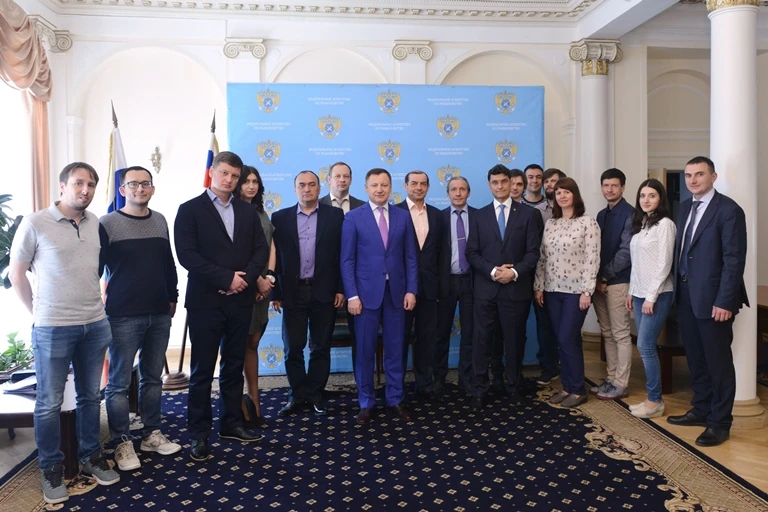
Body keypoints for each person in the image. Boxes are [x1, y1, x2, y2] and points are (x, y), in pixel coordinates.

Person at [9, 162, 120, 504]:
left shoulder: (95, 223)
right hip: (53, 328)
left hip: (94, 324)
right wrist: (38, 313)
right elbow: (16, 274)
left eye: (91, 184)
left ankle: (91, 456)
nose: (85, 190)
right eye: (78, 183)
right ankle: (51, 468)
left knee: (90, 397)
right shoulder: (35, 223)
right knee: (49, 403)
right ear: (62, 186)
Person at [174, 151, 270, 462]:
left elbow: (261, 250)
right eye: (224, 173)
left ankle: (231, 423)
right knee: (202, 371)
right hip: (206, 302)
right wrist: (226, 278)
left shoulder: (246, 211)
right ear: (212, 172)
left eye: (234, 176)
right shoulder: (189, 209)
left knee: (233, 365)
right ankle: (199, 434)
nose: (229, 180)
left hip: (240, 301)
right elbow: (187, 255)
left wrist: (244, 280)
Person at [100, 166, 181, 472]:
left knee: (152, 378)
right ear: (122, 190)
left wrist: (172, 297)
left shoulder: (159, 220)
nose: (140, 188)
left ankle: (151, 434)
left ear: (152, 188)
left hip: (159, 312)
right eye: (133, 184)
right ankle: (122, 442)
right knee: (119, 383)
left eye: (145, 183)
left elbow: (168, 263)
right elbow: (95, 269)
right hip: (122, 315)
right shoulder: (107, 223)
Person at [667, 156, 748, 447]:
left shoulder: (729, 210)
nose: (692, 180)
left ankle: (720, 422)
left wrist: (724, 300)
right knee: (696, 359)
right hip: (686, 298)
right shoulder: (684, 207)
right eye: (688, 175)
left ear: (713, 177)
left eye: (699, 174)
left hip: (715, 300)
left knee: (718, 364)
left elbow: (734, 260)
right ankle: (701, 409)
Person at [341, 168, 418, 424]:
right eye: (374, 185)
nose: (380, 189)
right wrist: (352, 295)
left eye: (384, 185)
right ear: (366, 188)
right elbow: (347, 260)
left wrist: (411, 289)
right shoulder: (353, 218)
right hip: (364, 297)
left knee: (395, 349)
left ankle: (395, 399)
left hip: (397, 294)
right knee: (365, 350)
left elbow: (410, 257)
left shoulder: (403, 217)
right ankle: (366, 402)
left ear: (390, 187)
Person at [466, 165, 543, 412]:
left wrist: (514, 272)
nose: (499, 186)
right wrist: (493, 271)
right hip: (485, 291)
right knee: (482, 343)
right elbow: (472, 253)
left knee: (514, 342)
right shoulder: (478, 216)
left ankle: (513, 387)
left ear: (511, 183)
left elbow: (533, 253)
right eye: (495, 182)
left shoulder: (529, 215)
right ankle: (479, 390)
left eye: (503, 181)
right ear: (489, 185)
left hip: (515, 290)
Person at [271, 171, 344, 416]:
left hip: (324, 290)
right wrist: (275, 292)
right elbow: (275, 257)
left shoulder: (335, 216)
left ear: (319, 188)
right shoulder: (280, 218)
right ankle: (297, 394)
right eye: (301, 185)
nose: (307, 189)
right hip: (292, 292)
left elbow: (342, 255)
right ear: (295, 189)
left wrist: (340, 288)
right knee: (293, 347)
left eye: (312, 185)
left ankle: (315, 393)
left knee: (320, 346)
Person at [534, 177, 600, 409]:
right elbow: (543, 257)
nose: (562, 196)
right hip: (552, 290)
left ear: (575, 195)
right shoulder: (551, 224)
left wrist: (587, 291)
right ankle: (567, 387)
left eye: (566, 192)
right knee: (561, 340)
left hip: (576, 292)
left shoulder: (587, 223)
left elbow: (592, 259)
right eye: (558, 193)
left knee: (567, 337)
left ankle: (578, 389)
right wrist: (539, 285)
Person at [625, 179, 676, 419]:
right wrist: (631, 291)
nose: (646, 200)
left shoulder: (665, 225)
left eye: (652, 195)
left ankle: (655, 401)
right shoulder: (642, 225)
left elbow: (664, 263)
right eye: (642, 195)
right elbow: (637, 264)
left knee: (645, 345)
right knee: (644, 345)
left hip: (657, 294)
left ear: (660, 199)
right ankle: (652, 398)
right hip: (639, 293)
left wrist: (651, 296)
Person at [234, 166, 276, 428]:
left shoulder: (261, 212)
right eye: (246, 181)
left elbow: (271, 245)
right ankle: (239, 405)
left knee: (253, 343)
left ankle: (255, 401)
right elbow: (235, 253)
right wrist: (256, 281)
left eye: (255, 181)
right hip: (242, 288)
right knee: (237, 348)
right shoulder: (231, 212)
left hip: (263, 289)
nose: (251, 186)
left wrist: (269, 277)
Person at [396, 171, 443, 399]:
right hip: (401, 289)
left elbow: (442, 253)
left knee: (427, 338)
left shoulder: (437, 215)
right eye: (414, 183)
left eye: (423, 184)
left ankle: (424, 384)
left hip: (430, 288)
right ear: (405, 186)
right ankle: (396, 387)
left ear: (428, 187)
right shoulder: (394, 213)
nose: (418, 187)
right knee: (399, 338)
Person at [591, 168, 634, 400]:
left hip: (618, 282)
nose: (609, 189)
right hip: (599, 282)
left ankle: (621, 383)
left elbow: (626, 252)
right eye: (606, 185)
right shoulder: (601, 215)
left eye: (614, 185)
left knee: (620, 334)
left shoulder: (631, 214)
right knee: (607, 333)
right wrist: (597, 279)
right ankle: (610, 379)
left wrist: (605, 277)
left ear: (622, 188)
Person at [436, 176, 476, 396]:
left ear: (468, 192)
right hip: (446, 283)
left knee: (470, 333)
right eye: (454, 189)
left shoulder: (480, 217)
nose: (458, 193)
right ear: (448, 193)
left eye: (462, 189)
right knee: (441, 333)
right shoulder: (438, 218)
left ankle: (466, 379)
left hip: (472, 281)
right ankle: (438, 379)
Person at [529, 167, 565, 386]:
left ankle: (558, 368)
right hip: (534, 275)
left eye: (555, 181)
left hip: (560, 279)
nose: (550, 185)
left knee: (557, 327)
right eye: (547, 181)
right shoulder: (531, 210)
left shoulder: (568, 211)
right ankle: (547, 366)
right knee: (542, 325)